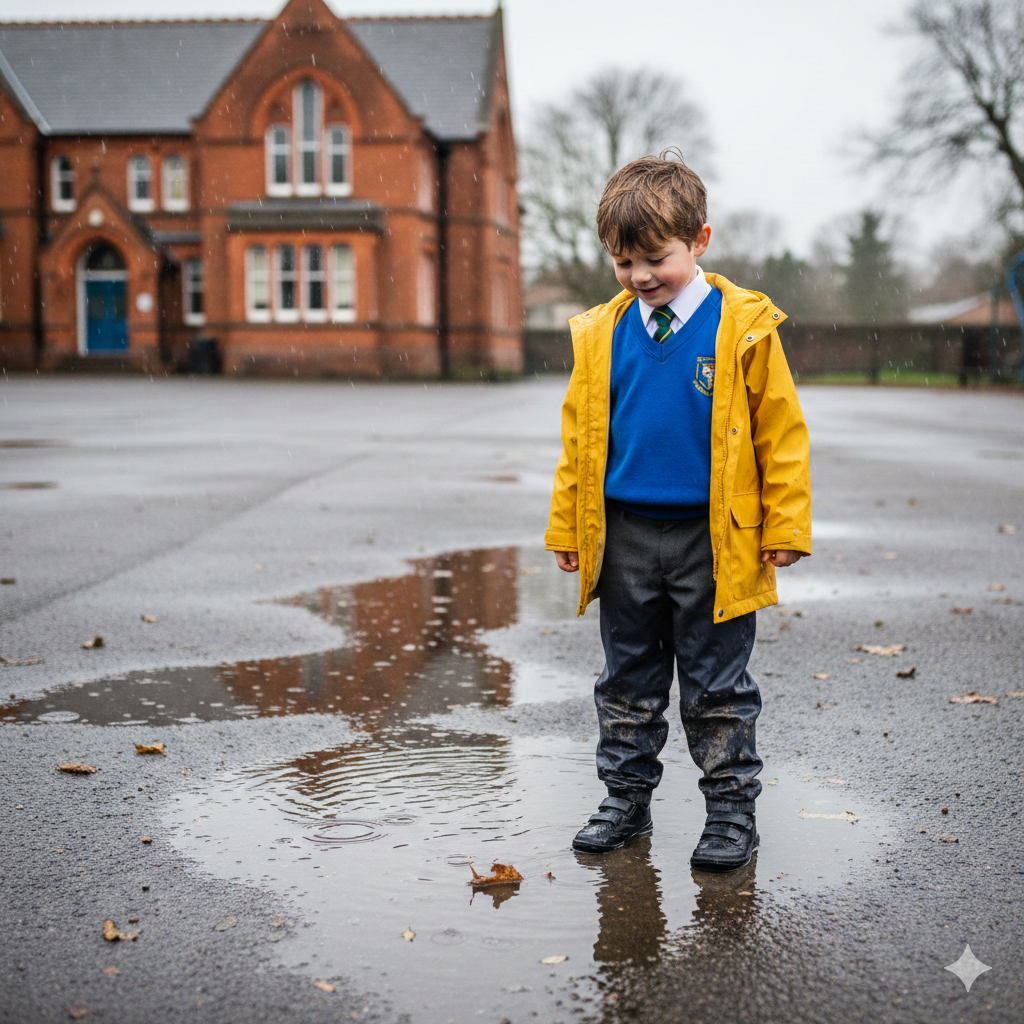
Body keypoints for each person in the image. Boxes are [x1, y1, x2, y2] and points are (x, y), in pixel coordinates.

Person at [545, 153, 811, 872]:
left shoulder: (743, 326)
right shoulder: (601, 334)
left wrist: (785, 526)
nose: (639, 276)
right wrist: (568, 526)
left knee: (717, 686)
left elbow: (779, 432)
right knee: (626, 681)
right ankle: (625, 800)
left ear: (700, 240)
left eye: (654, 258)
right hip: (625, 535)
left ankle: (731, 812)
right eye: (623, 261)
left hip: (714, 540)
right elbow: (580, 441)